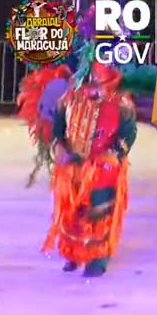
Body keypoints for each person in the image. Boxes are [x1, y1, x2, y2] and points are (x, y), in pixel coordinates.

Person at [44, 62, 137, 277]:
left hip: (103, 166)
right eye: (90, 80)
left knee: (99, 209)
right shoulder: (68, 98)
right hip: (71, 165)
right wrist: (59, 148)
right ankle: (73, 253)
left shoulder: (121, 102)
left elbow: (128, 133)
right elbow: (58, 129)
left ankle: (97, 258)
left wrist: (113, 154)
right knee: (70, 211)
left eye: (99, 81)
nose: (94, 86)